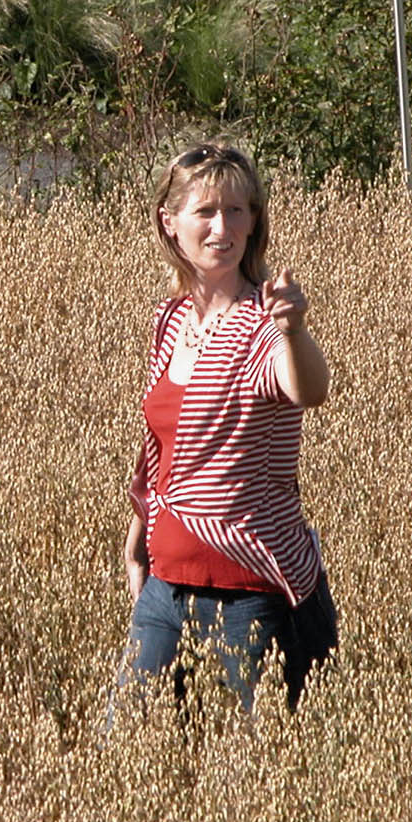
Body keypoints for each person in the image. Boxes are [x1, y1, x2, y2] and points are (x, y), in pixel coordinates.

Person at [118, 144, 338, 714]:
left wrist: (294, 329)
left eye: (239, 211)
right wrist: (140, 534)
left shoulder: (263, 322)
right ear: (170, 223)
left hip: (250, 593)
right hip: (165, 589)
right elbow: (162, 448)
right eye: (207, 212)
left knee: (250, 771)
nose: (224, 227)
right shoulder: (171, 321)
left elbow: (306, 390)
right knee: (130, 750)